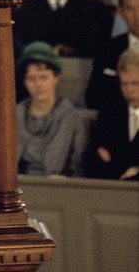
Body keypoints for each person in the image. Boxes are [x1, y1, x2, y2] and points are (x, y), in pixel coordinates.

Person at [16, 41, 90, 176]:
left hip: (58, 189)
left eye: (43, 78)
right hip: (18, 185)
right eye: (31, 79)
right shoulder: (15, 114)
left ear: (56, 77)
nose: (38, 84)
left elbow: (78, 165)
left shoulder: (72, 117)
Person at [85, 48, 139, 181]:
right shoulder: (108, 115)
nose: (129, 90)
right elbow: (94, 159)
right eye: (124, 84)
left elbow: (109, 156)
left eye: (135, 83)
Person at [85, 0, 139, 110]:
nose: (137, 16)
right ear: (120, 12)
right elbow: (92, 98)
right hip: (119, 122)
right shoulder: (107, 50)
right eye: (130, 9)